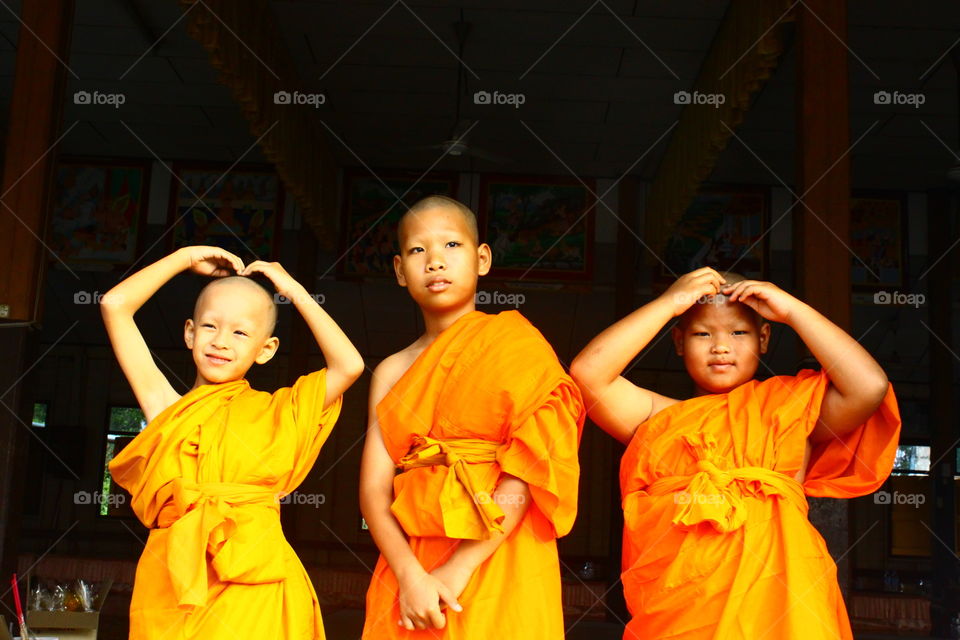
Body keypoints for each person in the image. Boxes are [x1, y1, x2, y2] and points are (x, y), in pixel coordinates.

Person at [570, 267, 901, 639]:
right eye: (702, 333)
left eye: (738, 332)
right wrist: (669, 304)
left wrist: (793, 310)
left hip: (783, 596)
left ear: (764, 337)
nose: (721, 346)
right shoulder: (655, 416)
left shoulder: (788, 407)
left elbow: (868, 386)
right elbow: (588, 373)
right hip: (684, 605)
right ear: (678, 342)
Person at [103, 246, 364, 640]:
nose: (221, 341)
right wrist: (185, 257)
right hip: (172, 583)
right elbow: (114, 305)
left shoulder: (282, 410)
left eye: (241, 332)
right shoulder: (167, 408)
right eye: (210, 326)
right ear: (190, 333)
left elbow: (349, 365)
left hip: (255, 581)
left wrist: (292, 288)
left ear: (266, 350)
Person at [359, 196, 585, 638]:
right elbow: (372, 490)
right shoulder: (391, 370)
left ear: (482, 258)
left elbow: (530, 467)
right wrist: (409, 575)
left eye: (452, 245)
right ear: (400, 270)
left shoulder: (517, 346)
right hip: (414, 561)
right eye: (418, 250)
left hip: (501, 550)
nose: (435, 261)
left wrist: (459, 568)